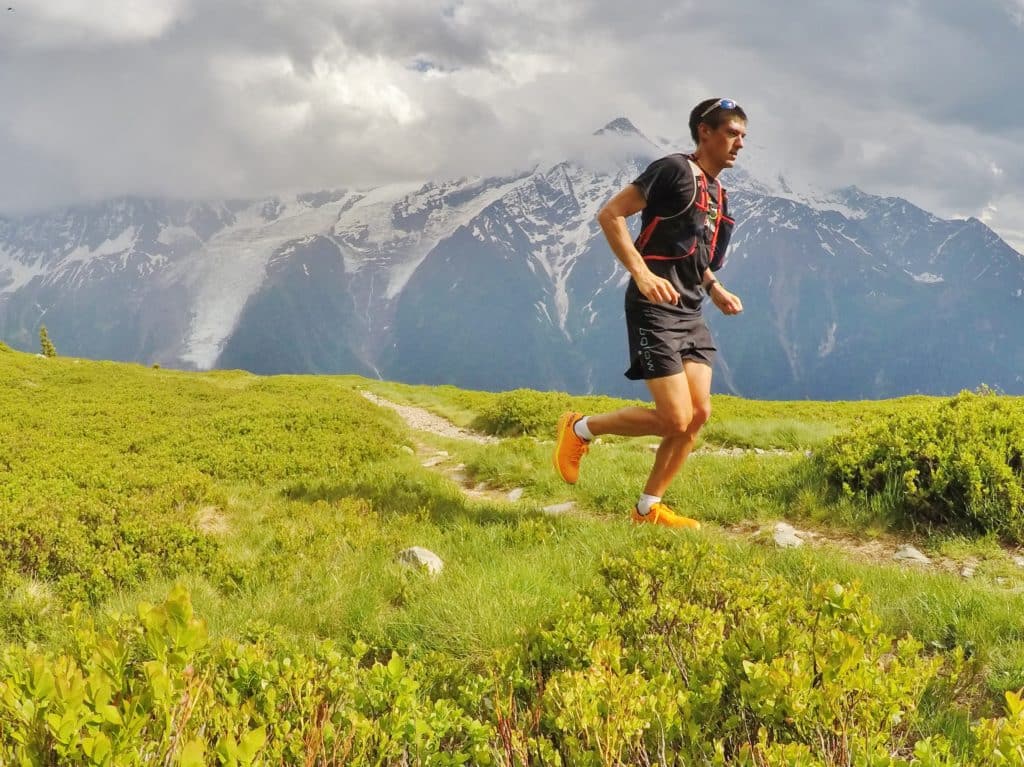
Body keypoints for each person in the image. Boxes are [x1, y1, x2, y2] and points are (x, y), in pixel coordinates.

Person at [553, 98, 747, 528]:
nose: (739, 144)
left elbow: (696, 259)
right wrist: (640, 273)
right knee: (674, 417)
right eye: (732, 133)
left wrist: (715, 288)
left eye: (743, 137)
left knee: (697, 415)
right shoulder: (673, 171)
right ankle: (580, 429)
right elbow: (611, 214)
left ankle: (647, 509)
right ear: (705, 132)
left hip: (691, 311)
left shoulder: (718, 195)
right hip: (653, 308)